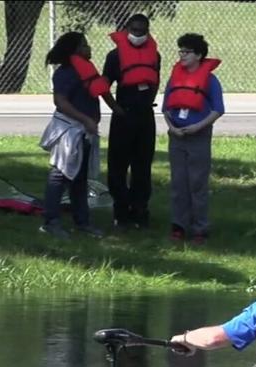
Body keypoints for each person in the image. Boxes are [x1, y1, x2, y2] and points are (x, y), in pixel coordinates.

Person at [39, 32, 119, 239]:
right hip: (69, 130)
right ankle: (50, 221)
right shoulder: (65, 73)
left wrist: (118, 110)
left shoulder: (86, 71)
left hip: (84, 131)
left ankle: (82, 221)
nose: (88, 48)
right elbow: (61, 102)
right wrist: (85, 119)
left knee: (80, 179)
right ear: (73, 50)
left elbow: (103, 93)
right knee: (60, 175)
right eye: (84, 45)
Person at [162, 33, 224, 245]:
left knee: (197, 183)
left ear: (198, 55)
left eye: (187, 52)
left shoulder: (210, 80)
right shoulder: (175, 77)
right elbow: (166, 108)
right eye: (180, 51)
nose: (182, 55)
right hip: (177, 136)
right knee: (179, 183)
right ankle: (179, 225)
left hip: (198, 135)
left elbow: (218, 109)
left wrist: (197, 127)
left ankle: (200, 228)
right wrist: (173, 129)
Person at [102, 14, 161, 229]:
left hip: (145, 116)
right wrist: (115, 108)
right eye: (134, 30)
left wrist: (147, 103)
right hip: (123, 115)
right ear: (127, 29)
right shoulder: (115, 56)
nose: (138, 35)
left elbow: (155, 82)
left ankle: (140, 209)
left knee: (142, 165)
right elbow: (104, 85)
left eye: (142, 31)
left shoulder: (154, 55)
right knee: (118, 165)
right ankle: (121, 211)